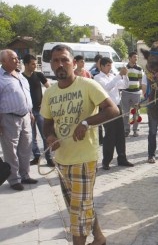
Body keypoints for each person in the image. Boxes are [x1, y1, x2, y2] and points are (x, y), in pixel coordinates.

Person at [40, 44, 119, 245]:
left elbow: (113, 110)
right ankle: (99, 238)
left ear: (74, 63)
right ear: (51, 64)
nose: (60, 64)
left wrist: (86, 122)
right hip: (62, 159)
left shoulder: (88, 85)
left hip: (85, 159)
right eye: (56, 60)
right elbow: (47, 123)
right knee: (80, 207)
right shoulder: (50, 93)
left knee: (78, 214)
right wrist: (49, 137)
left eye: (65, 60)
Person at [0, 49, 38, 191]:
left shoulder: (20, 76)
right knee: (11, 150)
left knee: (26, 148)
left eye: (17, 58)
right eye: (13, 59)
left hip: (26, 117)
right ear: (3, 61)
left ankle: (25, 175)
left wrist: (30, 112)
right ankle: (14, 179)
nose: (17, 61)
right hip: (8, 118)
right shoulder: (1, 77)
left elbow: (26, 97)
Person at [94, 57, 134, 170]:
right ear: (101, 66)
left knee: (120, 134)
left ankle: (122, 157)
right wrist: (118, 76)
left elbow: (125, 86)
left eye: (110, 65)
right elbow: (107, 88)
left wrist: (125, 75)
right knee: (110, 135)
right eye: (107, 65)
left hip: (117, 106)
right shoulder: (97, 78)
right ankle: (106, 160)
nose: (110, 67)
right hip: (106, 108)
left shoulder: (112, 76)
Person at [22, 54, 54, 167]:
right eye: (33, 64)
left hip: (40, 111)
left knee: (45, 135)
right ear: (26, 64)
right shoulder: (21, 77)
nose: (35, 66)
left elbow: (49, 88)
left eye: (36, 63)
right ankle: (36, 156)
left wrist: (45, 102)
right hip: (27, 112)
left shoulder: (39, 75)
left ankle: (49, 158)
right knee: (32, 137)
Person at [121, 51, 143, 137]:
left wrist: (141, 91)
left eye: (137, 57)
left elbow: (141, 81)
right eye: (134, 57)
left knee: (136, 112)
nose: (136, 59)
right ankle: (126, 129)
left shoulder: (139, 68)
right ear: (129, 58)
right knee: (125, 112)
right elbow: (121, 79)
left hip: (136, 93)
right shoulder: (124, 68)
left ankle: (135, 130)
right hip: (126, 92)